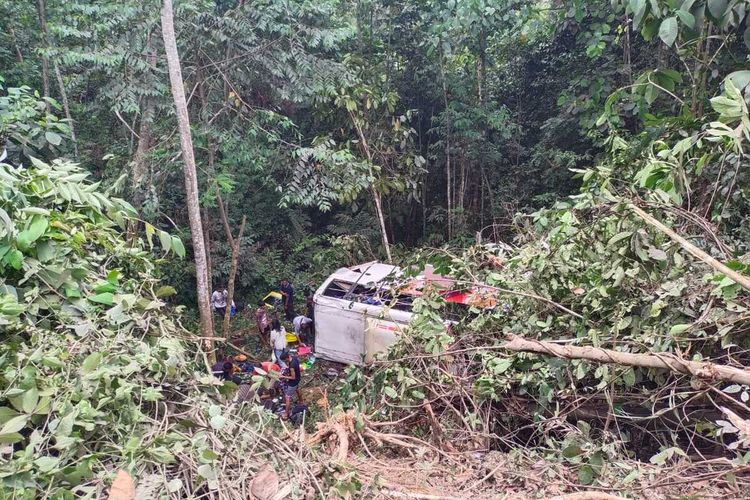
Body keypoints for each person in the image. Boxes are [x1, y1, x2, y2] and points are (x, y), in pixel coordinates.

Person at [279, 349, 302, 420]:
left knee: (287, 397)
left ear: (286, 358)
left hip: (293, 382)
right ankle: (301, 401)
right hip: (298, 379)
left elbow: (293, 377)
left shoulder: (292, 366)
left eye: (284, 360)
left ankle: (286, 414)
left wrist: (283, 376)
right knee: (297, 389)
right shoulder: (294, 358)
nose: (284, 362)